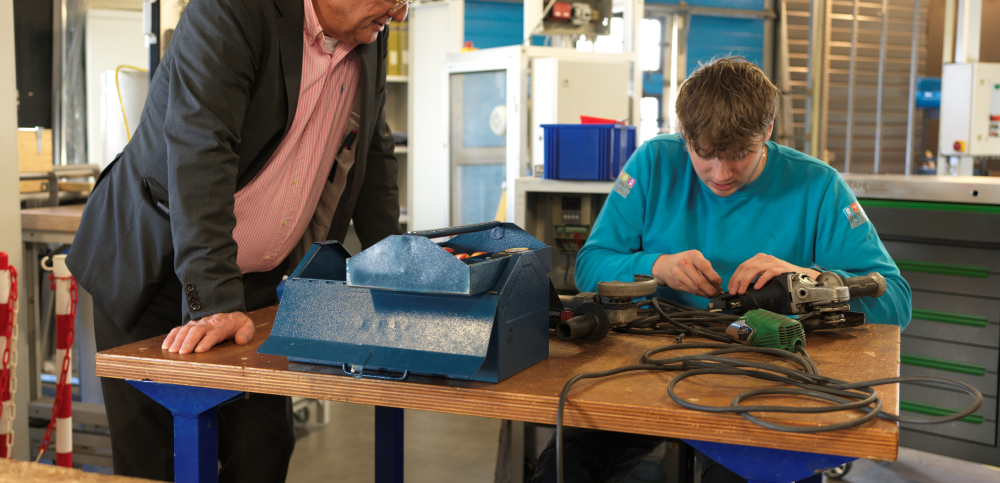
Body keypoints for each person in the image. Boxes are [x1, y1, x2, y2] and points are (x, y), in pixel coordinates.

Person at [66, 0, 408, 480]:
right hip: (154, 269)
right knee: (156, 459)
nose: (401, 13)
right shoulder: (232, 9)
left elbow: (372, 149)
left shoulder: (368, 31)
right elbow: (200, 147)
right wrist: (215, 302)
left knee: (263, 447)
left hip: (252, 283)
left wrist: (395, 269)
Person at [530, 57, 911, 483]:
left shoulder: (817, 185)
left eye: (738, 156)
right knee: (564, 470)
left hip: (764, 375)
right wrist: (654, 266)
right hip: (648, 367)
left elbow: (895, 299)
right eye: (704, 155)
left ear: (767, 131)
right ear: (684, 136)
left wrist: (806, 280)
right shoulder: (653, 164)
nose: (720, 174)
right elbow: (590, 266)